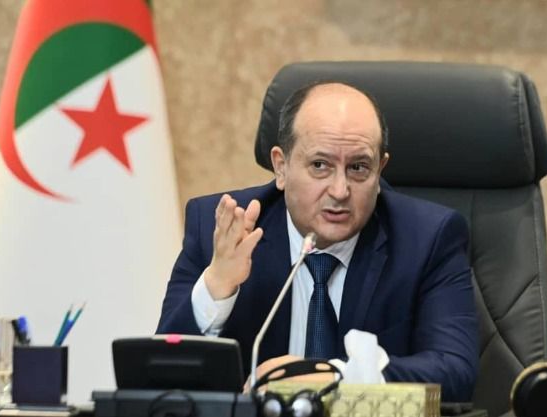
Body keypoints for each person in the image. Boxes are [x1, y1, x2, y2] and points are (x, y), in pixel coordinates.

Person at [156, 81, 478, 401]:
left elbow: (455, 372)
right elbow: (160, 376)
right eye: (320, 166)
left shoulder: (428, 239)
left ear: (380, 170)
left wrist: (335, 376)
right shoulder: (225, 230)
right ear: (281, 167)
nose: (340, 191)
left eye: (358, 168)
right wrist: (217, 287)